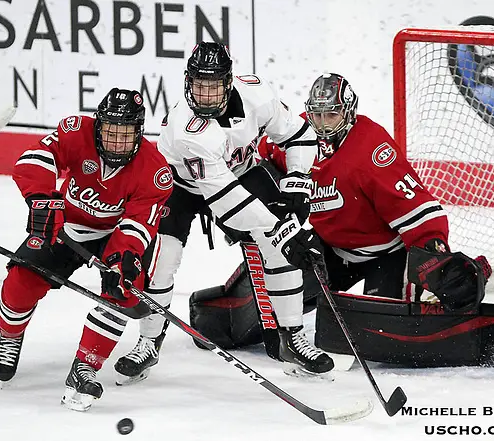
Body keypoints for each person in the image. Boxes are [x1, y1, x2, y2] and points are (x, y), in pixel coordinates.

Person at [189, 72, 494, 367]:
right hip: (330, 249)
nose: (322, 125)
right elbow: (256, 166)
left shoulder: (372, 149)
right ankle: (225, 313)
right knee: (257, 308)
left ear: (349, 113)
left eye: (332, 115)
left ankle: (480, 321)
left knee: (382, 340)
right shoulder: (295, 137)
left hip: (385, 255)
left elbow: (419, 209)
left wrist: (434, 251)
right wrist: (229, 200)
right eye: (317, 115)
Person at [113, 41, 332, 384]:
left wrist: (298, 181)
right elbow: (228, 202)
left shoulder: (258, 95)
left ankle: (293, 338)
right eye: (199, 85)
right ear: (188, 82)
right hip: (178, 185)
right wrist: (284, 232)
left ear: (230, 82)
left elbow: (300, 135)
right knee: (163, 259)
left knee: (280, 246)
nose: (206, 94)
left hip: (241, 169)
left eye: (214, 85)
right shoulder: (188, 130)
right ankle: (149, 340)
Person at [0, 88, 173, 412]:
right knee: (21, 280)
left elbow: (138, 223)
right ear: (98, 126)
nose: (117, 141)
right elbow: (36, 157)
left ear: (140, 132)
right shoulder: (76, 131)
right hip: (67, 226)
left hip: (115, 235)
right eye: (110, 132)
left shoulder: (154, 170)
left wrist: (124, 257)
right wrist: (42, 198)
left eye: (126, 134)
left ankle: (85, 365)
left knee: (125, 292)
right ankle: (10, 336)